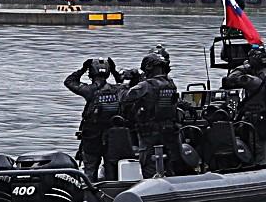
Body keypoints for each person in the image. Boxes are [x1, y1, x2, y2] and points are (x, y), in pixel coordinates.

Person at [221, 42, 266, 167]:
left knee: (260, 156)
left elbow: (230, 79)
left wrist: (245, 66)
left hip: (258, 123)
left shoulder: (253, 81)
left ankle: (262, 173)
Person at [122, 47, 192, 177]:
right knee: (170, 161)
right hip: (170, 130)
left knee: (147, 163)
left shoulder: (146, 85)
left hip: (150, 132)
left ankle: (150, 183)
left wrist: (127, 83)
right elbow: (176, 102)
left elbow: (125, 97)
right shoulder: (170, 84)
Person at [62, 56, 126, 182]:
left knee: (90, 170)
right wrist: (115, 72)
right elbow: (126, 84)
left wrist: (82, 69)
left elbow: (69, 82)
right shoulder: (118, 90)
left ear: (91, 73)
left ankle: (89, 191)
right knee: (111, 170)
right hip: (112, 137)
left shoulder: (89, 90)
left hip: (91, 137)